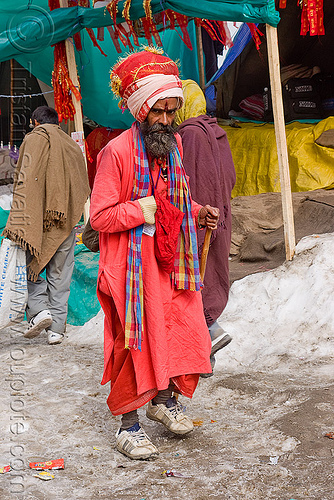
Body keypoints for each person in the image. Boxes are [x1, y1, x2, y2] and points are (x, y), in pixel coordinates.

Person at [90, 47, 219, 460]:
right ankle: (128, 426)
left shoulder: (173, 146)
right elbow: (99, 217)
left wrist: (199, 213)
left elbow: (175, 201)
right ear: (140, 110)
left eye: (170, 110)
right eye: (158, 111)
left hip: (169, 265)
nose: (165, 120)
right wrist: (135, 210)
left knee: (177, 333)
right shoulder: (117, 153)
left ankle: (164, 402)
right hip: (130, 271)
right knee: (136, 343)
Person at [3, 106, 90, 345]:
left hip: (35, 220)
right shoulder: (72, 145)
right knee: (60, 275)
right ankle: (56, 331)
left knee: (26, 266)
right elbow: (82, 182)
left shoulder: (33, 140)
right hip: (66, 221)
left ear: (34, 122)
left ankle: (40, 310)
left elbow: (23, 180)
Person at [178, 114, 236, 375]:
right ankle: (204, 356)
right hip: (219, 216)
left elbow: (187, 181)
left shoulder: (190, 134)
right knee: (206, 279)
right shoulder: (217, 132)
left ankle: (209, 338)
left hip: (200, 220)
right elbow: (231, 177)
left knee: (194, 286)